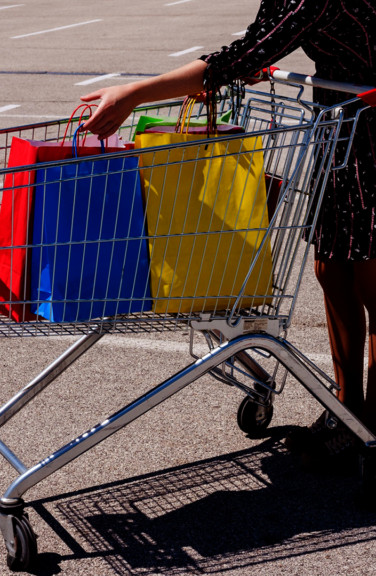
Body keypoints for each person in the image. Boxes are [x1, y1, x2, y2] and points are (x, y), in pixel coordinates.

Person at [80, 0, 376, 471]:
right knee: (332, 269)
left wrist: (135, 93)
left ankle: (369, 424)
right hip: (344, 125)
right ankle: (347, 408)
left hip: (368, 128)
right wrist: (247, 63)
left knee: (371, 281)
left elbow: (238, 58)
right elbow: (258, 42)